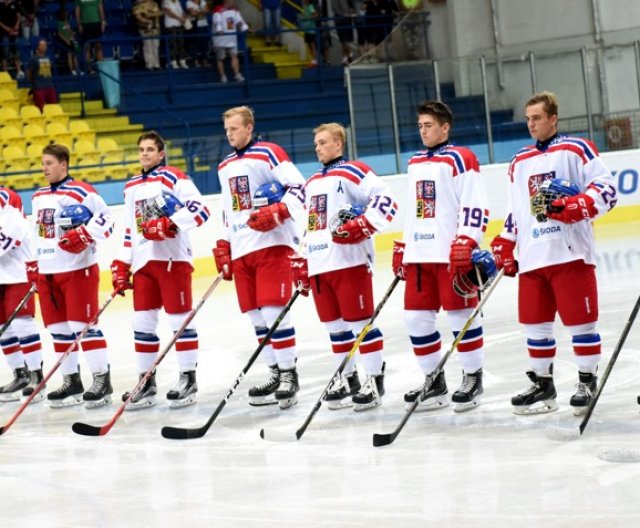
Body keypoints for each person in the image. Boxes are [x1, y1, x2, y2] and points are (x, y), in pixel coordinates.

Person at [490, 91, 617, 416]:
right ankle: (543, 385)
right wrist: (505, 240)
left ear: (553, 119)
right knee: (535, 326)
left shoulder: (576, 149)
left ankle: (587, 380)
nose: (531, 124)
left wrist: (579, 205)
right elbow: (517, 209)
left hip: (569, 254)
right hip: (533, 257)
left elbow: (606, 188)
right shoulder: (518, 161)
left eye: (537, 118)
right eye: (528, 118)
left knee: (580, 324)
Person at [290, 122, 396, 411]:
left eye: (323, 142)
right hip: (320, 265)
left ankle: (374, 379)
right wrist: (303, 259)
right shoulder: (311, 183)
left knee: (361, 324)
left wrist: (363, 225)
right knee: (335, 328)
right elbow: (310, 226)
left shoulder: (354, 171)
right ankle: (347, 378)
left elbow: (387, 201)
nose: (318, 148)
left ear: (339, 143)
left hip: (349, 262)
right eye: (316, 144)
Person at [392, 101, 490, 413]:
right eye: (420, 125)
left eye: (429, 125)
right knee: (415, 319)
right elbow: (415, 210)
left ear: (445, 127)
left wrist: (467, 240)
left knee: (461, 318)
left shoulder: (462, 158)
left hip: (450, 255)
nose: (423, 131)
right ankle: (433, 382)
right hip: (419, 255)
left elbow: (475, 204)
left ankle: (473, 378)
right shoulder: (415, 161)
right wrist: (403, 245)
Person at [111, 131, 211, 410]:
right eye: (141, 149)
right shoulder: (130, 186)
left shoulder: (173, 177)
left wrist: (171, 224)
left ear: (161, 153)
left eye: (150, 149)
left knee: (179, 322)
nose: (144, 154)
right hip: (143, 263)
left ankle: (188, 379)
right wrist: (122, 263)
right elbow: (131, 230)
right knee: (141, 324)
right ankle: (145, 382)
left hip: (172, 260)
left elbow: (201, 209)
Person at [214, 105, 305, 409]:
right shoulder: (224, 165)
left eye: (235, 129)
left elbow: (299, 188)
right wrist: (224, 243)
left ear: (249, 128)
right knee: (256, 317)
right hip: (242, 249)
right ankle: (275, 373)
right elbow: (229, 210)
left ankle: (290, 374)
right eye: (227, 130)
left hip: (271, 244)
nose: (230, 134)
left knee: (273, 312)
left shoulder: (269, 153)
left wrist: (279, 210)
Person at [31, 143, 115, 408]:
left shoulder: (81, 191)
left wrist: (86, 234)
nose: (44, 168)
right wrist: (35, 266)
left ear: (63, 164)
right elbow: (38, 233)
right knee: (58, 330)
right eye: (43, 163)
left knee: (83, 327)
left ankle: (102, 379)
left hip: (78, 269)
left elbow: (107, 219)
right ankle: (72, 381)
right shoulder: (38, 196)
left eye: (49, 163)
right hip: (48, 272)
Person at [0, 186, 44, 402]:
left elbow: (9, 237)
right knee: (2, 326)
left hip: (19, 269)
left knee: (21, 323)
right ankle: (20, 374)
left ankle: (37, 374)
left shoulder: (6, 197)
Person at [212, 0, 248, 83]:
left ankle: (237, 74)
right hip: (220, 39)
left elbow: (239, 21)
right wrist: (219, 30)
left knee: (234, 55)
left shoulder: (235, 10)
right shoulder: (218, 9)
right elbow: (217, 22)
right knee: (220, 58)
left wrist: (245, 28)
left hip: (231, 38)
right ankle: (222, 76)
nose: (234, 1)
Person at [74, 0, 106, 72]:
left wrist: (103, 21)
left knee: (98, 46)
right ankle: (89, 68)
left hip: (96, 23)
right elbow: (77, 10)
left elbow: (100, 8)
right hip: (85, 24)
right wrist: (79, 24)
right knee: (87, 46)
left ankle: (101, 68)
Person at [132, 0, 163, 70]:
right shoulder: (138, 5)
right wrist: (147, 20)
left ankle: (156, 64)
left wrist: (151, 15)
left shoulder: (154, 4)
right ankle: (149, 65)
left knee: (156, 45)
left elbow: (160, 13)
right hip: (145, 28)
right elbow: (137, 16)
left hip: (155, 28)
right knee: (147, 46)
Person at [27, 39, 57, 111]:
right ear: (38, 47)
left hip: (49, 85)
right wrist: (33, 83)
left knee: (53, 108)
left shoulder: (48, 57)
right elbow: (29, 73)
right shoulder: (33, 58)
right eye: (42, 45)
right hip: (39, 87)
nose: (44, 47)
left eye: (45, 45)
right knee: (40, 108)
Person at [0, 0, 24, 79]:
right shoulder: (0, 4)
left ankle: (19, 71)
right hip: (3, 32)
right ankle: (5, 72)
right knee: (5, 51)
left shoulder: (15, 3)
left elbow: (18, 16)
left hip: (15, 31)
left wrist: (16, 26)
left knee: (16, 51)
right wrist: (6, 28)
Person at [163, 0, 189, 69]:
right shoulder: (166, 1)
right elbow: (169, 13)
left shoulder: (178, 2)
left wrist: (184, 16)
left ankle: (182, 61)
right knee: (173, 44)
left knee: (181, 43)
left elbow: (181, 11)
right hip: (171, 26)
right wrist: (180, 18)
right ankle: (173, 62)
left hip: (179, 25)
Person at [56, 7, 80, 75]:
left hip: (71, 40)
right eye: (65, 13)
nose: (66, 14)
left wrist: (72, 34)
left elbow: (70, 31)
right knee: (69, 56)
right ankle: (72, 70)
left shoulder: (67, 22)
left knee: (75, 55)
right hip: (66, 42)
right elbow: (59, 33)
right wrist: (66, 40)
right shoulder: (59, 23)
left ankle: (77, 69)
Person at [185, 0, 210, 66]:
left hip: (204, 25)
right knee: (195, 43)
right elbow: (193, 14)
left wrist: (197, 11)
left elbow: (207, 10)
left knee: (204, 43)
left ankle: (204, 61)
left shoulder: (203, 1)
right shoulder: (189, 2)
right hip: (195, 26)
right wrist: (202, 11)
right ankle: (195, 61)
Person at [331, 0, 353, 65]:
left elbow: (349, 6)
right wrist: (344, 14)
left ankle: (344, 58)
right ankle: (349, 56)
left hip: (348, 20)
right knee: (344, 40)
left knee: (346, 40)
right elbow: (334, 8)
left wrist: (350, 13)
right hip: (340, 21)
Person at [298, 0, 317, 66]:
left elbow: (315, 15)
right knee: (309, 45)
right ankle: (312, 60)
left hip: (311, 29)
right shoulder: (305, 7)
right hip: (306, 29)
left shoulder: (310, 6)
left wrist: (308, 18)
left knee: (312, 45)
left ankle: (314, 60)